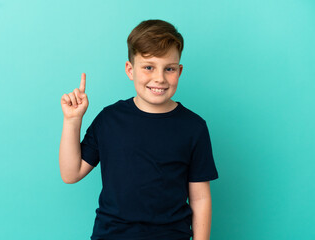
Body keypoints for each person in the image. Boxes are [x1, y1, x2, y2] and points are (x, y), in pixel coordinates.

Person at [59, 19, 219, 240]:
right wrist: (72, 120)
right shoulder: (109, 119)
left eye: (169, 69)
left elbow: (200, 198)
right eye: (149, 67)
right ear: (130, 69)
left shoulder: (194, 127)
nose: (159, 78)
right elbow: (70, 173)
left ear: (179, 71)